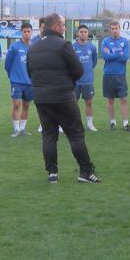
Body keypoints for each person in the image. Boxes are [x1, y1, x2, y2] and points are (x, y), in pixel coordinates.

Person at [26, 13, 101, 184]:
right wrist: (67, 82)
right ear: (55, 26)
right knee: (75, 134)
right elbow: (78, 70)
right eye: (63, 25)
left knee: (49, 134)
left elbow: (30, 73)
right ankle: (86, 172)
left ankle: (52, 172)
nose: (65, 28)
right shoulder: (64, 45)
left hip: (41, 97)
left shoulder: (33, 48)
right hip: (63, 97)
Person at [5, 22, 34, 137]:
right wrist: (12, 76)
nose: (27, 34)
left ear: (31, 33)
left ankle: (23, 129)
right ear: (21, 33)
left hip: (29, 82)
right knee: (17, 104)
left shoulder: (34, 48)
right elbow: (7, 64)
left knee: (26, 105)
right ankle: (16, 129)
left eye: (28, 31)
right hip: (16, 81)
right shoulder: (15, 47)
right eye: (24, 31)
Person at [102, 21, 130, 131]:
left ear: (120, 29)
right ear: (110, 30)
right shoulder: (106, 41)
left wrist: (111, 53)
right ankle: (113, 123)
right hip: (108, 75)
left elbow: (125, 57)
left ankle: (125, 123)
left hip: (120, 75)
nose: (115, 30)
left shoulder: (125, 42)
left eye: (116, 28)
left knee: (123, 99)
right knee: (110, 100)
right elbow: (105, 57)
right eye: (113, 28)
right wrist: (119, 53)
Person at [73, 24, 99, 131]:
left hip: (88, 81)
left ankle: (90, 124)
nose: (83, 34)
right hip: (75, 81)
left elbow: (94, 62)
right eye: (81, 32)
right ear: (77, 34)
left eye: (85, 32)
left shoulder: (92, 47)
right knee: (73, 104)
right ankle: (73, 124)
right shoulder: (72, 47)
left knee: (89, 102)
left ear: (88, 34)